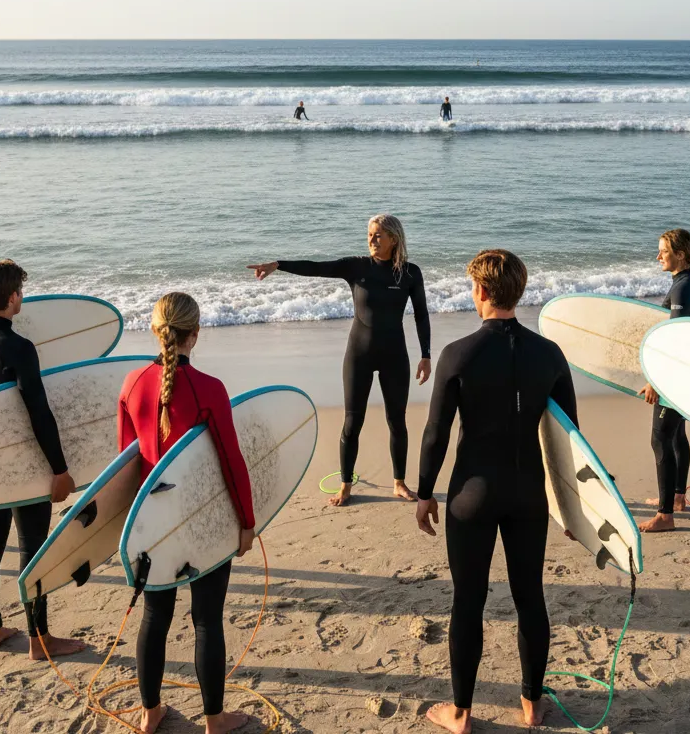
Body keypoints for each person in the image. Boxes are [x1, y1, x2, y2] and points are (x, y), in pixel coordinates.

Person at [416, 249, 578, 734]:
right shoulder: (549, 354)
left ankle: (461, 714)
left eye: (472, 287)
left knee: (468, 601)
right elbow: (569, 439)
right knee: (531, 597)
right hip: (529, 494)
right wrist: (572, 509)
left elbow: (436, 434)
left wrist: (424, 493)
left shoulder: (458, 354)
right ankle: (531, 705)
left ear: (482, 292)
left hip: (472, 496)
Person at [118, 292, 256, 734]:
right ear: (195, 334)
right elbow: (232, 462)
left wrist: (128, 529)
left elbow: (124, 465)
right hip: (202, 522)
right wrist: (247, 521)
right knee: (206, 619)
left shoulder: (131, 383)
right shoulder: (210, 388)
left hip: (151, 526)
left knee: (155, 617)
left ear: (156, 329)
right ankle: (215, 719)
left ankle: (149, 712)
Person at [248, 214, 431, 507]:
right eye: (370, 234)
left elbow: (421, 314)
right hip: (359, 354)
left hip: (394, 355)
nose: (372, 240)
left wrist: (426, 354)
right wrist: (279, 265)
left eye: (378, 235)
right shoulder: (356, 267)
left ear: (394, 239)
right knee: (352, 422)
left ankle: (399, 483)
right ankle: (345, 484)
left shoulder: (410, 273)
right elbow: (317, 268)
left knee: (397, 421)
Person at [0, 260, 85, 660]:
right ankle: (39, 639)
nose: (22, 298)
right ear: (12, 297)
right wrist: (60, 470)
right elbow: (39, 413)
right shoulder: (18, 347)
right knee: (33, 545)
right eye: (21, 292)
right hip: (21, 464)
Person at [638, 228, 690, 534]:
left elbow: (672, 339)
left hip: (674, 376)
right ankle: (677, 498)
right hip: (685, 371)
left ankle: (666, 516)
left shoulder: (682, 288)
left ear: (680, 254)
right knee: (676, 436)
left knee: (660, 438)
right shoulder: (689, 283)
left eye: (663, 251)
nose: (658, 256)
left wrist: (655, 380)